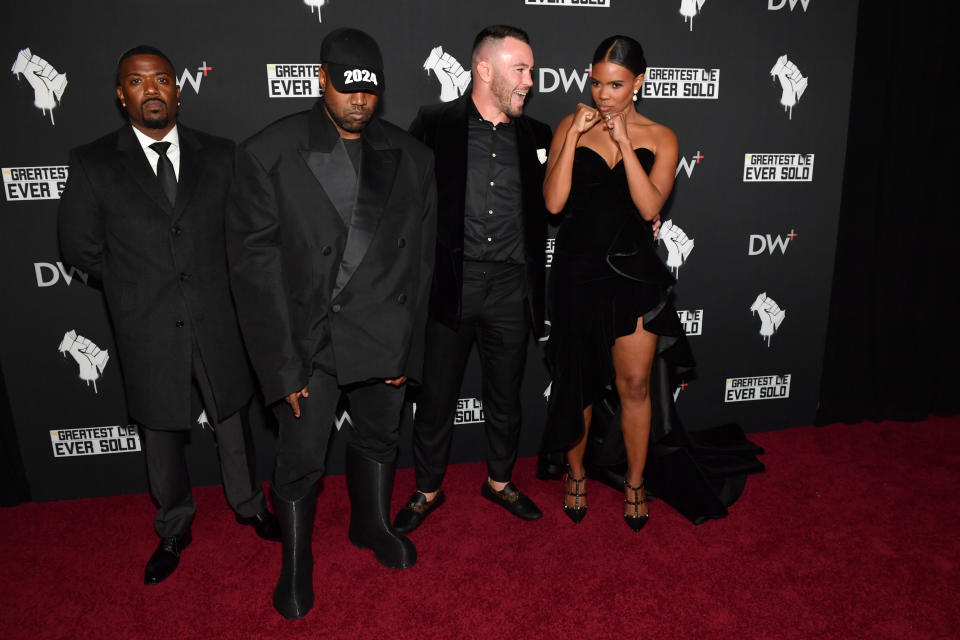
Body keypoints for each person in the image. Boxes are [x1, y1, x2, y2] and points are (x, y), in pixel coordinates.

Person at [226, 28, 436, 620]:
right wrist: (281, 365)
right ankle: (296, 562)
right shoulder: (269, 152)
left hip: (382, 336)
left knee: (379, 438)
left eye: (370, 92)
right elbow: (254, 272)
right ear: (321, 80)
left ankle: (370, 525)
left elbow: (420, 268)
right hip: (308, 343)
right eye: (347, 89)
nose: (359, 103)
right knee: (300, 460)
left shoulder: (414, 158)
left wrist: (407, 355)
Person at [58, 45, 280, 586]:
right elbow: (78, 248)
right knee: (160, 435)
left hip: (219, 319)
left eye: (161, 79)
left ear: (177, 89)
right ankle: (174, 525)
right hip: (147, 327)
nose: (151, 89)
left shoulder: (222, 155)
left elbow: (245, 233)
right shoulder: (93, 163)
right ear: (121, 94)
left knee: (234, 422)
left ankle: (250, 504)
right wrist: (138, 286)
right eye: (137, 82)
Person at [542, 36, 764, 530]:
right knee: (575, 385)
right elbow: (554, 205)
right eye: (596, 83)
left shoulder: (662, 137)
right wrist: (574, 138)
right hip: (578, 273)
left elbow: (648, 208)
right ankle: (575, 473)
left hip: (634, 275)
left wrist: (623, 142)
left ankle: (637, 481)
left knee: (636, 385)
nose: (603, 94)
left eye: (615, 85)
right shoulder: (570, 125)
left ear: (639, 82)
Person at [392, 25, 553, 535]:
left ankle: (500, 481)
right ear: (485, 69)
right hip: (450, 286)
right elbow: (400, 202)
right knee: (436, 396)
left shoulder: (537, 135)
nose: (531, 79)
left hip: (511, 289)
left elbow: (569, 194)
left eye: (531, 68)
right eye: (520, 69)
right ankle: (428, 488)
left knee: (506, 394)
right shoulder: (435, 123)